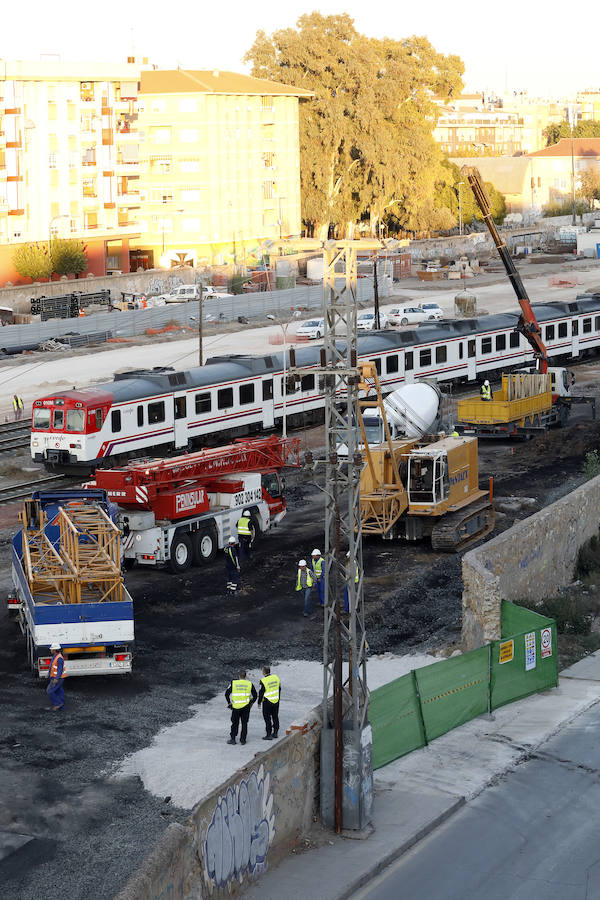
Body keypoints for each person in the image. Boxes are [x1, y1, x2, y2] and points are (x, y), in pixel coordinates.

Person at [225, 669, 257, 745]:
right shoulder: (249, 684)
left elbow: (226, 694)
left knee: (234, 723)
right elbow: (255, 695)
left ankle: (233, 739)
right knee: (244, 723)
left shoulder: (233, 683)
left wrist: (229, 703)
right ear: (245, 676)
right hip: (246, 707)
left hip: (235, 707)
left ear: (238, 676)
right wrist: (251, 703)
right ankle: (243, 740)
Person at [258, 665, 281, 741]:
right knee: (275, 716)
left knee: (267, 718)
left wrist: (259, 702)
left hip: (267, 702)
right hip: (276, 701)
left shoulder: (263, 681)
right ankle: (275, 733)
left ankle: (268, 734)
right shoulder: (276, 678)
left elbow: (261, 693)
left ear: (264, 672)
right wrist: (278, 698)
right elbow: (279, 688)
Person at [46, 642, 66, 711]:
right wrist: (49, 673)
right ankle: (62, 707)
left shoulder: (59, 658)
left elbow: (60, 669)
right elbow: (52, 666)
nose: (50, 650)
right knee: (59, 692)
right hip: (56, 678)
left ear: (54, 650)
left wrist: (56, 678)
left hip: (58, 679)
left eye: (51, 649)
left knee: (50, 691)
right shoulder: (56, 656)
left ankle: (58, 704)